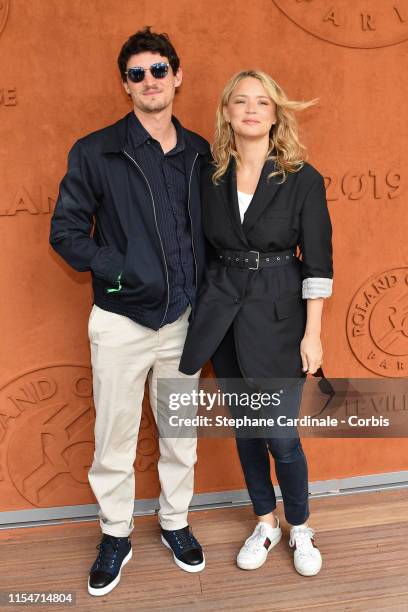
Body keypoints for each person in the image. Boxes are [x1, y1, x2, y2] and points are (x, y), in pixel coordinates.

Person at [49, 27, 209, 596]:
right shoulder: (96, 151)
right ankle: (116, 534)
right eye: (137, 73)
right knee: (114, 437)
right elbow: (66, 233)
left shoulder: (198, 153)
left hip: (184, 322)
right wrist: (122, 270)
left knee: (180, 435)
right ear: (126, 85)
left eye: (159, 70)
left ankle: (175, 523)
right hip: (120, 321)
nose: (149, 81)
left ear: (176, 76)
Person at [179, 70, 333, 577]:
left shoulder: (303, 178)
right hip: (223, 313)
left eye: (261, 102)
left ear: (275, 113)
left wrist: (313, 334)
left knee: (281, 434)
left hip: (279, 315)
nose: (250, 110)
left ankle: (300, 526)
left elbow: (317, 263)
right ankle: (265, 522)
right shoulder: (209, 175)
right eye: (240, 101)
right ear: (226, 112)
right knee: (247, 427)